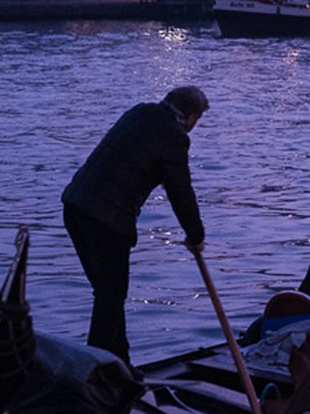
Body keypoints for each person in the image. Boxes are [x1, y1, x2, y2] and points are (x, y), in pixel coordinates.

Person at [60, 84, 210, 370]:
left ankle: (121, 367)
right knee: (110, 296)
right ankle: (96, 372)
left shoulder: (140, 112)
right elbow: (181, 191)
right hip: (106, 219)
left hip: (75, 207)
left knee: (108, 296)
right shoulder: (174, 137)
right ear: (192, 118)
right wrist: (197, 236)